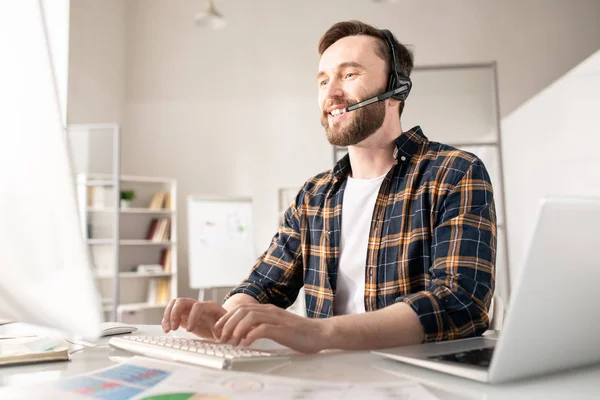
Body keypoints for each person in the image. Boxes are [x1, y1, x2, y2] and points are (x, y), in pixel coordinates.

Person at [162, 20, 496, 354]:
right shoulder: (314, 195)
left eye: (349, 75)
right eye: (323, 80)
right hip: (329, 381)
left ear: (397, 88)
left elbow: (459, 302)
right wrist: (227, 318)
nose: (331, 92)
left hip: (417, 382)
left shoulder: (454, 172)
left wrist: (319, 333)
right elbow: (264, 284)